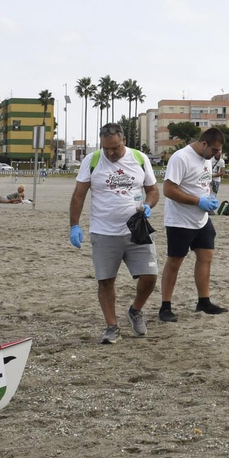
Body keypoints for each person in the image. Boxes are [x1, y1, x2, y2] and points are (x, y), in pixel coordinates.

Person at [69, 123, 161, 344]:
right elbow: (79, 195)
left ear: (124, 142)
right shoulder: (92, 161)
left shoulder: (139, 158)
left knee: (150, 276)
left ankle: (135, 310)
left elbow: (153, 190)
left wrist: (149, 204)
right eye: (106, 148)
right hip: (104, 232)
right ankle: (112, 326)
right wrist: (75, 225)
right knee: (106, 281)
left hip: (136, 229)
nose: (110, 153)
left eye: (115, 148)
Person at [160, 127, 228, 322]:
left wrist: (208, 199)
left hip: (202, 219)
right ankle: (165, 306)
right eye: (215, 150)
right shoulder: (181, 158)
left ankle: (204, 301)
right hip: (180, 220)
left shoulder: (206, 159)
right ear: (204, 143)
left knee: (206, 256)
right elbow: (168, 190)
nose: (217, 154)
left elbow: (201, 184)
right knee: (175, 262)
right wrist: (198, 201)